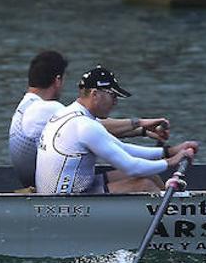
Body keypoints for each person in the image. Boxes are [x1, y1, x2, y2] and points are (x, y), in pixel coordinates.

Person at [10, 50, 172, 189]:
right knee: (144, 182)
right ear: (58, 80)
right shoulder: (49, 109)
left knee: (149, 174)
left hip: (53, 180)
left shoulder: (26, 105)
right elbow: (97, 128)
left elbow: (100, 132)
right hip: (50, 190)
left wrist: (143, 132)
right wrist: (141, 125)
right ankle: (173, 213)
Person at [36, 65, 197, 195]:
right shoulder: (85, 126)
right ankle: (173, 224)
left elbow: (123, 148)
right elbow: (131, 167)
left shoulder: (69, 114)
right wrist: (171, 162)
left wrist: (169, 151)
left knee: (148, 173)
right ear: (95, 94)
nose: (115, 102)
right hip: (64, 202)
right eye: (113, 96)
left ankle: (171, 215)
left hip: (73, 187)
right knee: (145, 185)